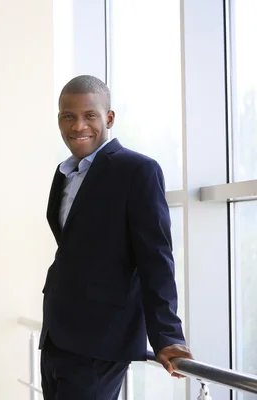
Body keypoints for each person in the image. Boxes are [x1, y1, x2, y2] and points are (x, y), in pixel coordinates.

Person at [39, 75, 193, 400]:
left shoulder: (137, 171)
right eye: (68, 116)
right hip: (56, 334)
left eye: (89, 115)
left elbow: (156, 258)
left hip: (100, 340)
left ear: (108, 118)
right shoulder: (64, 173)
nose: (78, 125)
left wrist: (167, 337)